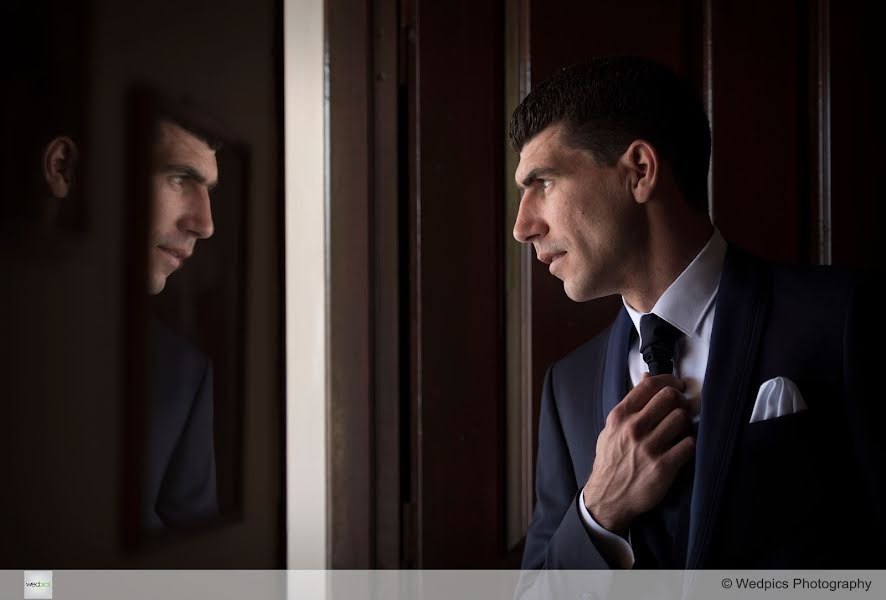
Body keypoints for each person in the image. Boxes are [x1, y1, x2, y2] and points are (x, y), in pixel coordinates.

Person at [511, 57, 884, 569]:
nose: (523, 225)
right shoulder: (567, 389)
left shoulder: (841, 318)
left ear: (640, 171)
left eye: (543, 182)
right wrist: (598, 511)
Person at [40, 116, 220, 529]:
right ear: (64, 167)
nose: (206, 224)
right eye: (179, 178)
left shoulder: (184, 372)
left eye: (209, 190)